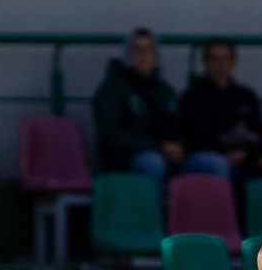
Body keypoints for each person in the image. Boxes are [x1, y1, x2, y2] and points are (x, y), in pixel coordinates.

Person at [90, 27, 228, 197]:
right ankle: (152, 221)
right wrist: (157, 148)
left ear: (156, 54)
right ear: (127, 54)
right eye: (137, 50)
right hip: (127, 160)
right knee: (152, 162)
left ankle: (213, 222)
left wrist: (180, 148)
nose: (143, 55)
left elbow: (180, 128)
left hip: (168, 157)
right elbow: (111, 135)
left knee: (215, 164)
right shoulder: (112, 90)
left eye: (148, 49)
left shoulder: (165, 91)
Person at [179, 38, 262, 188]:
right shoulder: (192, 97)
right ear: (205, 63)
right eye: (215, 59)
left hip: (246, 160)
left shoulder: (247, 96)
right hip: (210, 160)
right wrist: (230, 156)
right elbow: (199, 138)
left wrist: (249, 156)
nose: (220, 65)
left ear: (233, 62)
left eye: (225, 59)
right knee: (234, 177)